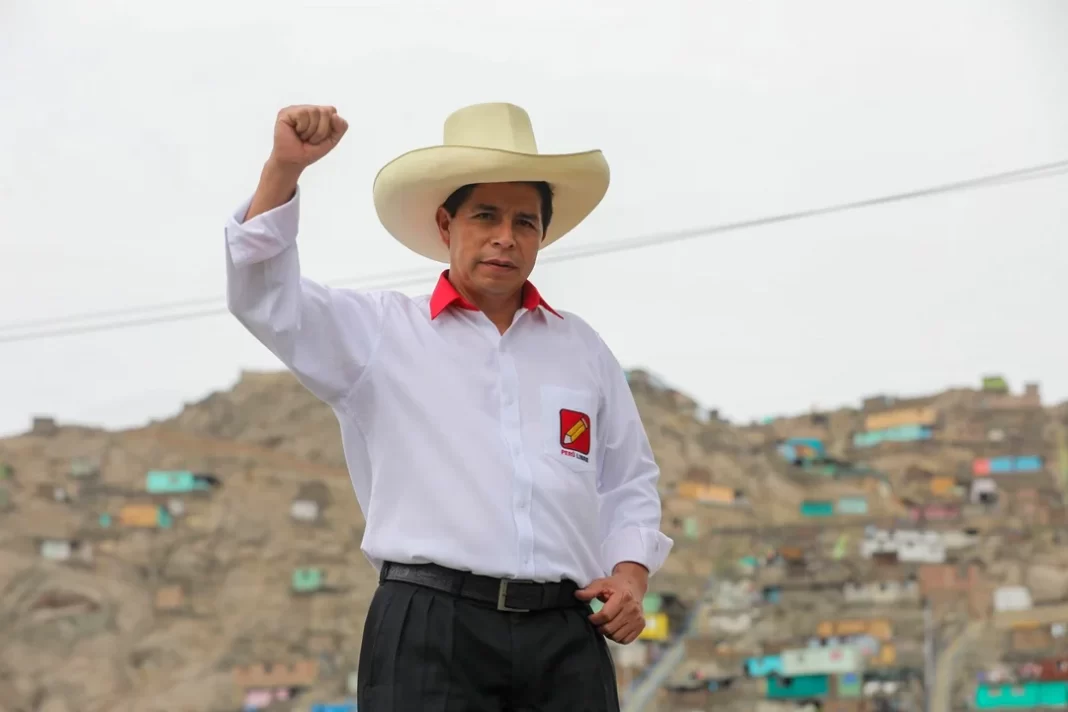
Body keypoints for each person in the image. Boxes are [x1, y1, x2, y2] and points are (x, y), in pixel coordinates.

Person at [224, 101, 673, 712]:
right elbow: (261, 296)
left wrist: (630, 576)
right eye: (485, 215)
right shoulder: (379, 333)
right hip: (429, 630)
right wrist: (284, 168)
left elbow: (629, 479)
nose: (504, 236)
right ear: (446, 224)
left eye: (524, 221)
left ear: (541, 235)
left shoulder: (582, 348)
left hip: (566, 638)